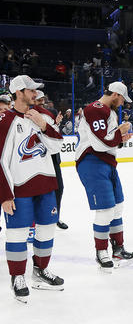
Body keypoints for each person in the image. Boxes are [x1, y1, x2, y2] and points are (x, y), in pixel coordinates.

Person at [0, 75, 64, 302]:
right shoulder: (5, 121)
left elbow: (57, 147)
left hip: (46, 185)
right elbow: (1, 161)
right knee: (17, 235)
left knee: (46, 230)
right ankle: (17, 276)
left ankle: (41, 269)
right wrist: (5, 195)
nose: (36, 94)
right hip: (20, 189)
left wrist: (43, 124)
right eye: (31, 91)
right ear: (19, 92)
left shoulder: (43, 115)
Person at [75, 81, 133, 272]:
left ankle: (118, 248)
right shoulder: (94, 109)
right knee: (105, 210)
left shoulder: (109, 112)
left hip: (106, 162)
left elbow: (108, 141)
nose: (122, 103)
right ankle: (101, 251)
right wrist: (120, 133)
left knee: (117, 207)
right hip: (92, 162)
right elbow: (101, 143)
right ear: (116, 94)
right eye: (122, 99)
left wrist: (119, 139)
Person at [34, 91, 67, 230]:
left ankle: (55, 216)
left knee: (59, 187)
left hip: (53, 157)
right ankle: (35, 220)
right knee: (38, 191)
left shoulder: (49, 114)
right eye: (39, 99)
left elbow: (53, 133)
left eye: (43, 99)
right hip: (40, 157)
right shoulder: (31, 114)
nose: (42, 102)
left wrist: (56, 123)